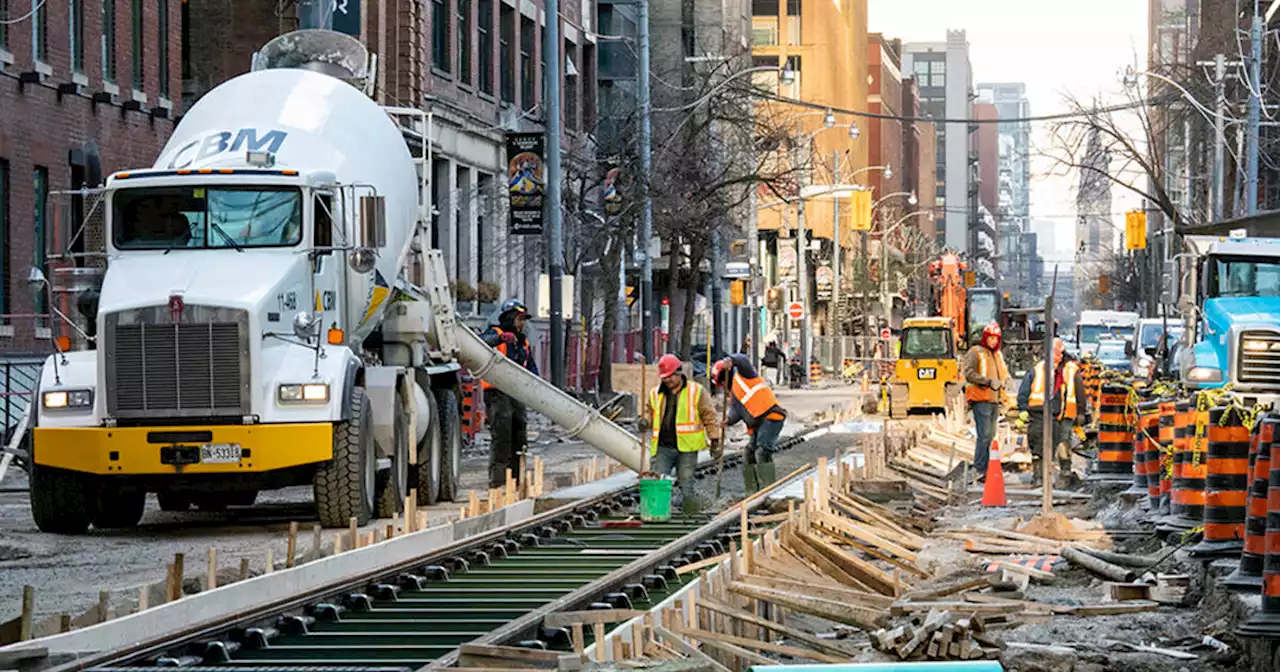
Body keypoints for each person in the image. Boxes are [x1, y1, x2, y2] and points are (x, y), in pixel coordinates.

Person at [646, 354, 721, 514]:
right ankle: (658, 516)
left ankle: (690, 516)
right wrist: (645, 420)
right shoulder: (655, 393)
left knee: (686, 483)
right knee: (659, 483)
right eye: (664, 377)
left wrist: (715, 439)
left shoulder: (697, 391)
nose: (667, 380)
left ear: (679, 373)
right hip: (662, 447)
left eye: (670, 376)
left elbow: (709, 415)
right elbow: (649, 411)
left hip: (687, 448)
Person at [480, 299, 538, 489]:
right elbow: (481, 344)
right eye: (519, 319)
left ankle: (516, 479)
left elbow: (531, 369)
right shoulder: (495, 333)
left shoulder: (523, 343)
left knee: (520, 432)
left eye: (523, 320)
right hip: (497, 392)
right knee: (502, 434)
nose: (522, 324)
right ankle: (498, 482)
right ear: (509, 318)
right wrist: (501, 339)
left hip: (516, 392)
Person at [1016, 338, 1088, 488]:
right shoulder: (1038, 369)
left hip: (1065, 413)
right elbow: (1024, 391)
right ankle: (1039, 477)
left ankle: (1065, 474)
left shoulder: (1070, 370)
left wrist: (1081, 412)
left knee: (1063, 443)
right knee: (1038, 444)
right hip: (1040, 413)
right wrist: (1023, 409)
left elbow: (1080, 392)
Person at [712, 354, 788, 493]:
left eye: (722, 383)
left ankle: (768, 491)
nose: (723, 386)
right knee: (748, 453)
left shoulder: (744, 375)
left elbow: (744, 360)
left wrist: (732, 360)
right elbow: (737, 411)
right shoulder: (734, 393)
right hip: (758, 424)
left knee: (762, 452)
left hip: (771, 417)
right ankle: (752, 492)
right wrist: (728, 420)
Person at [963, 322, 1009, 481]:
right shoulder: (975, 353)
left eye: (996, 339)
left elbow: (1003, 374)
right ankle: (980, 467)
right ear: (984, 338)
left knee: (990, 435)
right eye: (990, 339)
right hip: (981, 399)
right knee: (984, 435)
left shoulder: (997, 355)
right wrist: (988, 381)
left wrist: (1004, 386)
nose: (993, 342)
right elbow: (969, 373)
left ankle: (985, 466)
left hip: (994, 400)